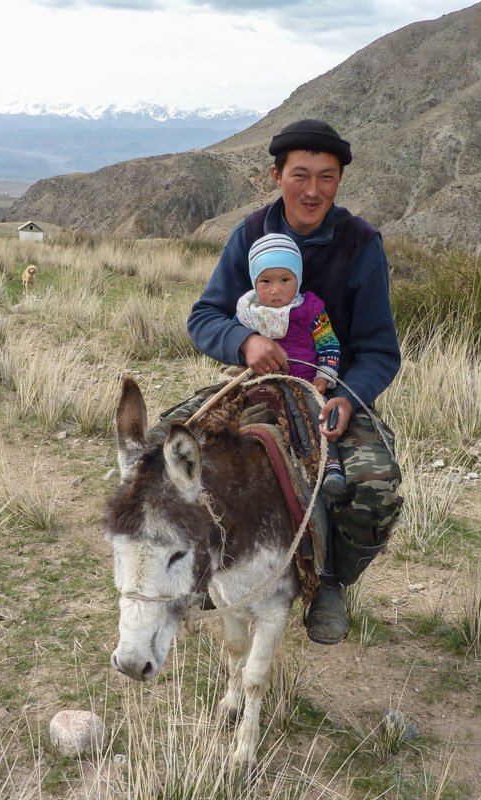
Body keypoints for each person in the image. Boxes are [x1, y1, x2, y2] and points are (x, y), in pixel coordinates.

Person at [187, 118, 403, 645]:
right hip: (249, 382)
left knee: (375, 489)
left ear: (339, 181)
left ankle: (331, 582)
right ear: (276, 174)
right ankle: (194, 570)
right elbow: (205, 316)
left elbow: (379, 349)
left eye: (327, 177)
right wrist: (246, 343)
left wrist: (348, 398)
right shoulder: (249, 234)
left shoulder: (361, 243)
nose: (313, 190)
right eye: (300, 175)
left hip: (330, 387)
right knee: (169, 453)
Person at [235, 231, 346, 496]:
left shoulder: (310, 309)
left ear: (297, 278)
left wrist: (324, 376)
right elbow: (235, 337)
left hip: (305, 383)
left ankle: (330, 465)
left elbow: (328, 344)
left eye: (285, 279)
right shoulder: (248, 311)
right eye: (265, 281)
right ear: (254, 281)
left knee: (318, 417)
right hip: (258, 381)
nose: (275, 289)